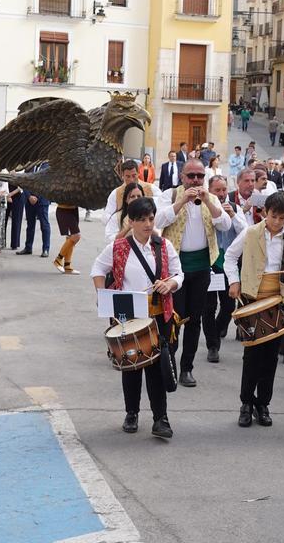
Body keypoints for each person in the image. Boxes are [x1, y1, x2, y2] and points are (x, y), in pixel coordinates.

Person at [90, 197, 182, 438]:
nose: (147, 224)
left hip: (158, 314)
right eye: (141, 220)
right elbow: (97, 269)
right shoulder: (118, 247)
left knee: (156, 369)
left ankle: (160, 419)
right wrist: (102, 295)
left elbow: (178, 273)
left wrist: (170, 284)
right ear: (130, 222)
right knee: (131, 366)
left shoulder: (164, 245)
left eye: (150, 219)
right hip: (128, 315)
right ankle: (131, 413)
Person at [224, 191, 284, 427]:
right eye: (273, 216)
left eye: (282, 218)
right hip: (251, 298)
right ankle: (246, 403)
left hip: (277, 300)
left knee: (271, 356)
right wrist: (234, 281)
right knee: (252, 354)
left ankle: (263, 404)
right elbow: (230, 257)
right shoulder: (250, 232)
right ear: (265, 213)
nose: (277, 222)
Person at [156, 159, 233, 388]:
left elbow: (225, 225)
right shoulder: (170, 195)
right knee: (174, 318)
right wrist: (181, 201)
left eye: (200, 176)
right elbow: (158, 220)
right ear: (182, 177)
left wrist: (208, 201)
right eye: (191, 176)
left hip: (201, 267)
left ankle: (187, 368)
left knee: (195, 319)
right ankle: (170, 363)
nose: (196, 180)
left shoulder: (211, 198)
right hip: (175, 268)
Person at [205, 176, 246, 364]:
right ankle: (213, 346)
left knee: (229, 305)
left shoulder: (234, 207)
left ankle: (217, 328)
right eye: (217, 190)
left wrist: (233, 216)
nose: (221, 194)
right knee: (208, 307)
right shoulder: (204, 207)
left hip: (228, 264)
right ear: (210, 191)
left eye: (223, 189)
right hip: (209, 263)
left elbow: (246, 231)